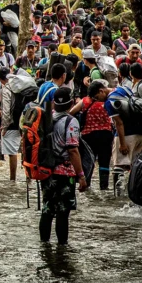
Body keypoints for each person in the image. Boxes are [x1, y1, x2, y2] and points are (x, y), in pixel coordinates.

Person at [40, 87, 89, 245]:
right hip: (64, 173)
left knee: (47, 209)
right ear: (71, 103)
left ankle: (44, 247)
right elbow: (73, 150)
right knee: (63, 212)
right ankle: (62, 249)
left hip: (46, 171)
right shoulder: (71, 121)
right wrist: (81, 176)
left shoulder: (48, 118)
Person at [78, 80, 114, 190]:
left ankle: (86, 185)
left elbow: (71, 112)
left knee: (89, 161)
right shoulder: (111, 99)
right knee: (104, 162)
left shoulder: (85, 101)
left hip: (88, 136)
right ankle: (104, 187)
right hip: (105, 135)